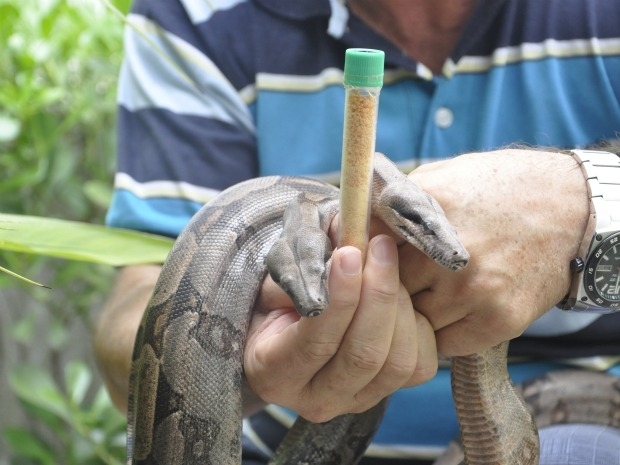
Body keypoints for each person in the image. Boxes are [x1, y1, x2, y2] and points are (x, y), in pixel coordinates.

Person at [94, 0, 620, 463]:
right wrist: (237, 347)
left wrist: (585, 203)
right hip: (271, 435)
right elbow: (135, 318)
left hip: (571, 420)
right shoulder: (195, 13)